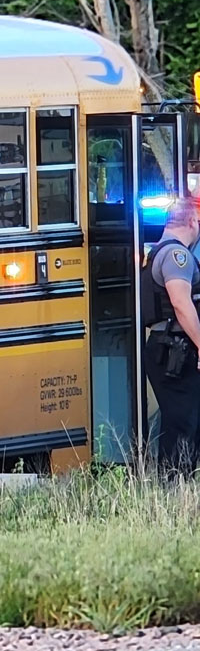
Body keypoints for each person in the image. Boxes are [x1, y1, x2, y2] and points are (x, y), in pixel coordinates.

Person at [142, 198, 200, 478]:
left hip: (167, 348)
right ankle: (174, 482)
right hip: (177, 350)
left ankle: (179, 481)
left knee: (184, 418)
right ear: (191, 221)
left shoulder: (155, 252)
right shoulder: (177, 255)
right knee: (183, 421)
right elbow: (180, 303)